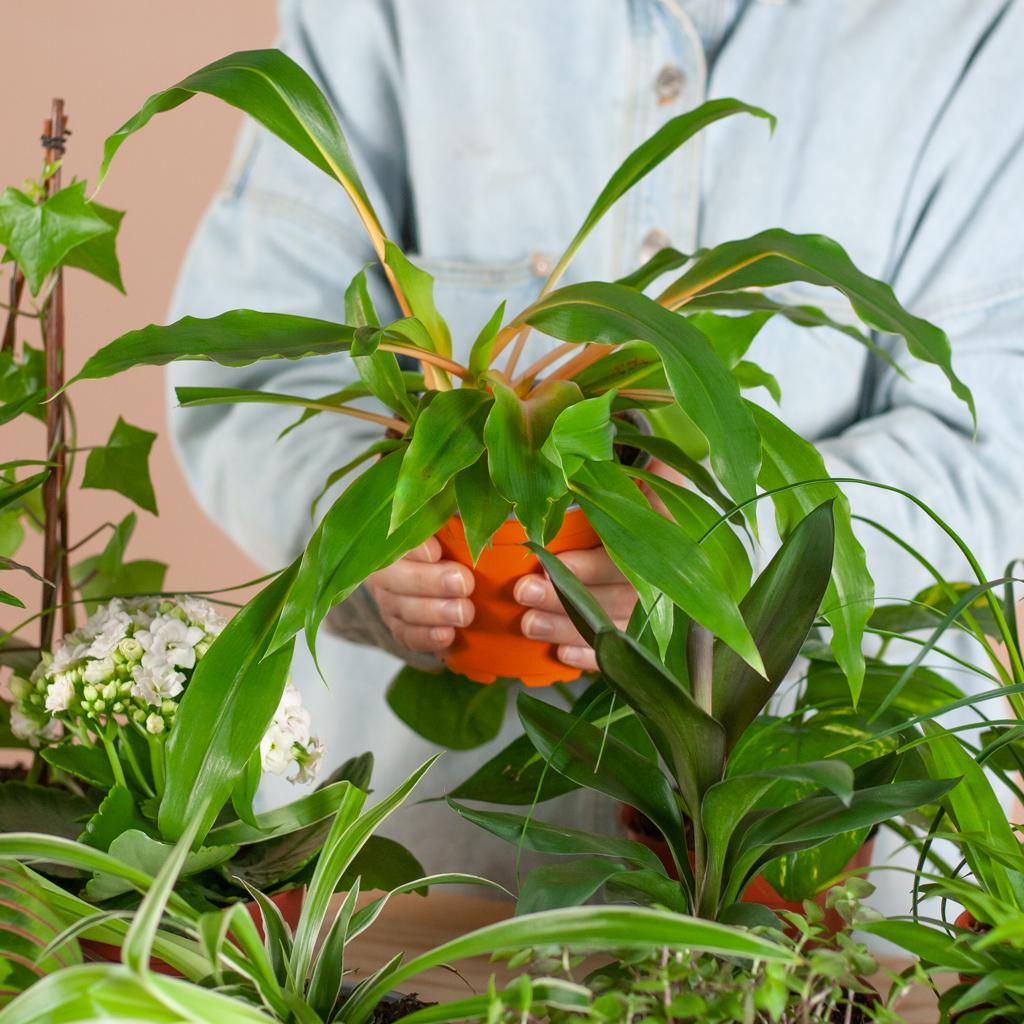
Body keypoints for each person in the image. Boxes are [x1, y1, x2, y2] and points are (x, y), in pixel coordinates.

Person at [167, 0, 1024, 907]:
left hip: (817, 882)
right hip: (424, 881)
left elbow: (993, 449)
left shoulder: (976, 24)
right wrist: (360, 536)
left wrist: (711, 551)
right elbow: (253, 362)